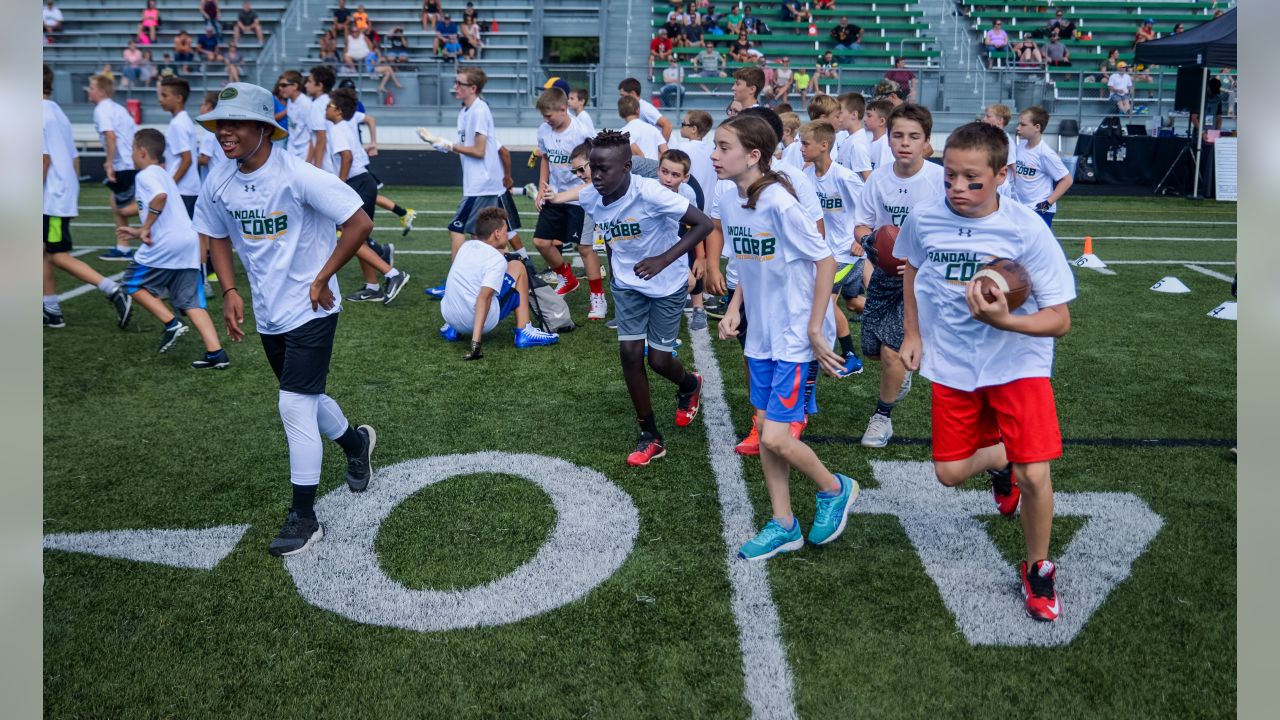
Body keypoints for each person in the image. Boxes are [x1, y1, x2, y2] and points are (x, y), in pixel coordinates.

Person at [898, 120, 1075, 622]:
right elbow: (912, 267)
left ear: (1002, 175)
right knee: (950, 473)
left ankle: (1039, 568)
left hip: (1018, 364)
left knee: (1035, 474)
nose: (958, 188)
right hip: (953, 363)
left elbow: (1060, 319)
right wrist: (913, 334)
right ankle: (1003, 459)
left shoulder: (1026, 229)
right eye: (950, 175)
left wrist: (1007, 319)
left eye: (972, 179)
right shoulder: (926, 216)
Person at [194, 82, 379, 557]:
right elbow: (215, 235)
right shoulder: (219, 181)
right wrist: (231, 290)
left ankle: (305, 517)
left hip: (313, 309)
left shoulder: (299, 175)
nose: (224, 132)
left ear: (264, 129)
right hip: (270, 314)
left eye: (234, 123)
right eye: (219, 124)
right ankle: (356, 445)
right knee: (308, 398)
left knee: (293, 406)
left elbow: (360, 222)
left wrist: (323, 278)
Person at [712, 113, 858, 561]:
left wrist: (816, 327)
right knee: (764, 430)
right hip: (761, 336)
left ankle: (835, 488)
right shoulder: (731, 197)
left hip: (794, 336)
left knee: (776, 436)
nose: (714, 156)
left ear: (753, 155)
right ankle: (783, 524)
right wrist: (735, 308)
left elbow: (826, 261)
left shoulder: (779, 200)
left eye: (723, 147)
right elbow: (749, 262)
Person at [572, 129, 713, 466]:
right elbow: (608, 236)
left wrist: (663, 259)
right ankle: (649, 434)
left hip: (666, 284)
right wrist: (616, 271)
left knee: (659, 360)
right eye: (593, 167)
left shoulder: (652, 194)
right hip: (628, 284)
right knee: (630, 354)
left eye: (604, 169)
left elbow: (703, 224)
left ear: (627, 167)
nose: (596, 176)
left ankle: (690, 384)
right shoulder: (591, 197)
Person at [852, 103, 944, 449]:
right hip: (885, 276)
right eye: (898, 135)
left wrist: (927, 259)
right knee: (875, 351)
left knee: (892, 351)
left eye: (914, 136)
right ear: (888, 140)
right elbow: (862, 224)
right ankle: (900, 375)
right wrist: (871, 242)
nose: (905, 142)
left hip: (924, 280)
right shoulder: (878, 178)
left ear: (926, 142)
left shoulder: (939, 180)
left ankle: (882, 418)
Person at [114, 128, 228, 365]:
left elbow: (160, 198)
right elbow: (164, 207)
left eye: (133, 151)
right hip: (188, 242)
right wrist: (139, 230)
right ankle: (216, 354)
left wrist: (145, 229)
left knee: (131, 283)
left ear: (142, 151)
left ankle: (171, 322)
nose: (132, 155)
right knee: (190, 301)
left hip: (166, 244)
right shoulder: (164, 173)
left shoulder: (145, 175)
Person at [420, 67, 529, 300]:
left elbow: (479, 151)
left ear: (473, 88)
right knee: (484, 237)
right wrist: (444, 146)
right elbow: (470, 149)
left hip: (482, 185)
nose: (455, 87)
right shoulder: (466, 111)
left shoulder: (479, 110)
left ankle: (455, 283)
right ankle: (507, 274)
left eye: (460, 83)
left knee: (457, 229)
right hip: (477, 184)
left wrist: (448, 144)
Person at [42, 65, 134, 330]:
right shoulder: (57, 111)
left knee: (57, 254)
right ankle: (51, 309)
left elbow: (43, 159)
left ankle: (113, 290)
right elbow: (74, 158)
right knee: (44, 251)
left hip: (52, 199)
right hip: (58, 195)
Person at [326, 89, 410, 305]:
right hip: (364, 182)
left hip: (357, 182)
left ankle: (392, 274)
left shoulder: (336, 128)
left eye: (329, 106)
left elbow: (347, 156)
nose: (326, 109)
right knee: (357, 237)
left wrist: (340, 184)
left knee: (347, 236)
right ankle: (372, 286)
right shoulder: (344, 126)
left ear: (339, 111)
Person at [441, 207, 561, 355]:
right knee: (518, 267)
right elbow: (483, 298)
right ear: (497, 233)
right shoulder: (496, 260)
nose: (507, 234)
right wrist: (475, 343)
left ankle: (452, 329)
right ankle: (524, 331)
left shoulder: (466, 246)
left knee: (468, 282)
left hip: (450, 316)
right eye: (506, 230)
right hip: (473, 323)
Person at [801, 119, 867, 377]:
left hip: (845, 253)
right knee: (851, 304)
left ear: (824, 145)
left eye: (806, 143)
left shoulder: (844, 177)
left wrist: (859, 238)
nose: (801, 149)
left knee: (825, 303)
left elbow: (868, 207)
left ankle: (850, 356)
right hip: (822, 252)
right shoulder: (805, 176)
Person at [531, 89, 603, 315]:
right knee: (541, 242)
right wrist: (542, 186)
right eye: (543, 116)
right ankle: (567, 278)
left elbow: (596, 161)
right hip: (554, 195)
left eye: (549, 115)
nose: (545, 120)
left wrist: (591, 188)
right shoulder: (544, 130)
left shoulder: (581, 131)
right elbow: (545, 158)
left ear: (564, 109)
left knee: (584, 247)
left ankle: (598, 298)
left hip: (580, 197)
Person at [654, 149, 707, 330]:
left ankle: (698, 307)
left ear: (685, 177)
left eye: (675, 175)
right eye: (664, 172)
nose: (668, 179)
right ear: (657, 170)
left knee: (692, 258)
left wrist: (701, 257)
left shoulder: (688, 193)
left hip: (679, 231)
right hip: (654, 236)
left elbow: (696, 227)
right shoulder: (649, 189)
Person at [89, 74, 140, 259]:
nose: (89, 90)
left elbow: (111, 136)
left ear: (101, 92)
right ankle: (123, 246)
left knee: (122, 208)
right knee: (115, 202)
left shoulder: (102, 110)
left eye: (92, 87)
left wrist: (109, 163)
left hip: (123, 164)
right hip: (130, 161)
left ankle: (156, 212)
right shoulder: (118, 108)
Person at [1013, 106, 1072, 227]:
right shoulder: (1020, 146)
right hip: (1022, 208)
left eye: (1023, 125)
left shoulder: (1045, 153)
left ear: (1037, 127)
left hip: (1039, 211)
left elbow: (1067, 180)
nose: (1018, 128)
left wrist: (1047, 204)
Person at [156, 77, 202, 218]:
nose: (160, 99)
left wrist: (171, 184)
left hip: (183, 189)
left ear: (178, 98)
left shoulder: (178, 124)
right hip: (188, 188)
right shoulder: (184, 120)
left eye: (164, 95)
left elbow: (186, 159)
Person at [982, 103, 1017, 198]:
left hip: (1000, 186)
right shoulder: (987, 138)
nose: (984, 119)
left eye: (988, 116)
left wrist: (1016, 192)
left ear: (1000, 120)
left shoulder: (1006, 141)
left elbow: (1014, 168)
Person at [276, 71, 311, 160]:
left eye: (284, 85)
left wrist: (309, 162)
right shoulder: (290, 101)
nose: (280, 88)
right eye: (280, 85)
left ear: (295, 86)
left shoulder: (306, 104)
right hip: (292, 151)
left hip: (304, 153)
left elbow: (313, 137)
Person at [863, 98, 893, 171]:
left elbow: (884, 173)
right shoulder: (868, 141)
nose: (864, 119)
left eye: (869, 116)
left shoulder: (885, 145)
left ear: (882, 121)